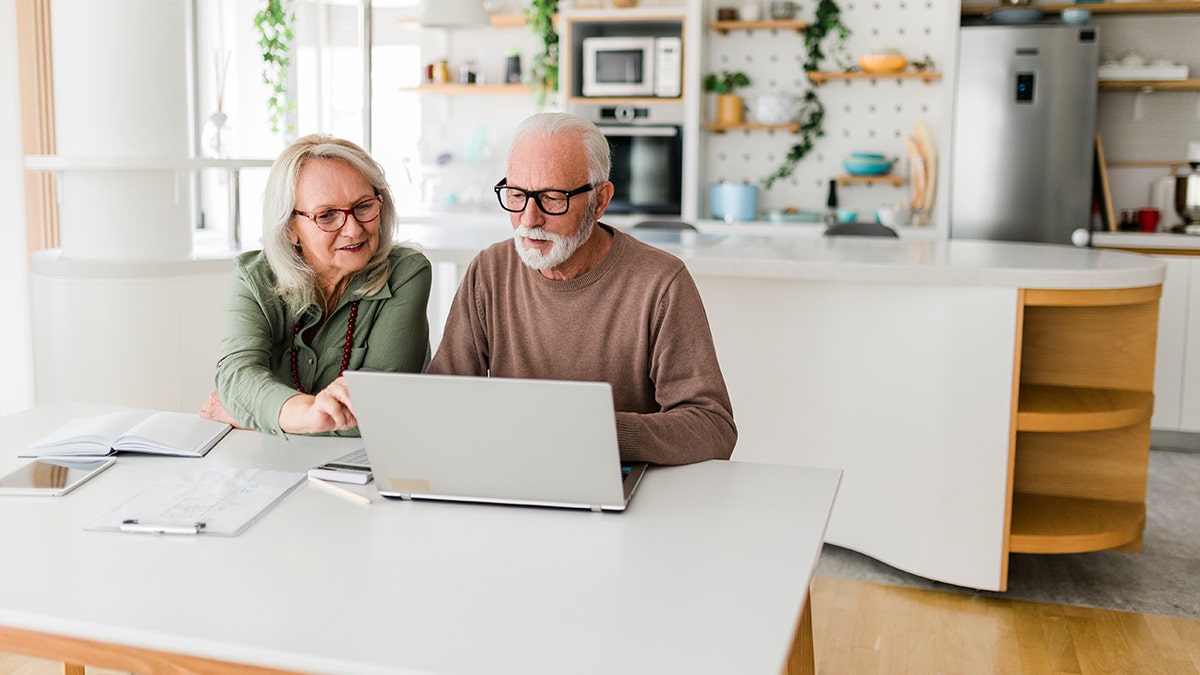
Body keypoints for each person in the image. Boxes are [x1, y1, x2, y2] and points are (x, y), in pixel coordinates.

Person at [427, 112, 736, 464]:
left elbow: (713, 428)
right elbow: (443, 399)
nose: (529, 219)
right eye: (516, 195)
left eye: (553, 198)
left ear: (600, 201)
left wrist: (597, 432)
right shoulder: (489, 271)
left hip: (623, 494)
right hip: (511, 478)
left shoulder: (661, 282)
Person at [202, 134, 431, 436]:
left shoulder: (407, 273)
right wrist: (311, 415)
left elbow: (380, 410)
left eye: (363, 207)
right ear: (290, 228)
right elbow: (237, 376)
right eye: (327, 215)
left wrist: (254, 416)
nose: (353, 229)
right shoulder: (254, 278)